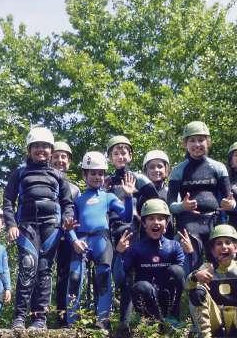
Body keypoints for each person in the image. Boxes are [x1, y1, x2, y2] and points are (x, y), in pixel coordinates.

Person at [3, 127, 75, 329]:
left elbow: (67, 204)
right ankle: (19, 317)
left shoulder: (59, 176)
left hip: (51, 227)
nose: (41, 150)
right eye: (36, 146)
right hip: (26, 225)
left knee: (44, 270)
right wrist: (11, 225)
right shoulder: (20, 173)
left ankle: (39, 318)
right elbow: (8, 201)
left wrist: (67, 220)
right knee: (27, 266)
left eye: (45, 146)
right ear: (29, 149)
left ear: (51, 150)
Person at [66, 151, 136, 327]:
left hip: (102, 241)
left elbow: (127, 217)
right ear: (85, 174)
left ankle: (102, 321)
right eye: (93, 173)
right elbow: (70, 225)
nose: (97, 177)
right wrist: (74, 239)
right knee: (74, 278)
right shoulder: (78, 200)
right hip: (81, 241)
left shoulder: (108, 197)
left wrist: (128, 196)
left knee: (104, 279)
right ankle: (71, 322)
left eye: (100, 173)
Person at [106, 135, 159, 326]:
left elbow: (157, 202)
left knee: (135, 275)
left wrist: (143, 217)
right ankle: (122, 321)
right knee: (118, 276)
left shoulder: (138, 178)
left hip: (133, 230)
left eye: (124, 153)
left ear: (130, 156)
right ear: (110, 157)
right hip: (111, 232)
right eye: (116, 153)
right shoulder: (108, 181)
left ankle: (137, 321)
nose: (120, 156)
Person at [167, 121, 236, 269]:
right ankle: (194, 292)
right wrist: (182, 206)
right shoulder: (178, 171)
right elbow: (170, 206)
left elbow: (230, 200)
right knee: (193, 267)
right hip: (189, 224)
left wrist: (230, 204)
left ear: (208, 142)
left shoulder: (218, 167)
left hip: (214, 222)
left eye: (201, 140)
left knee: (219, 268)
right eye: (192, 140)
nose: (197, 144)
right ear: (185, 144)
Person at [116, 199, 194, 327]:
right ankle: (154, 322)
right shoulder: (136, 248)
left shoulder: (174, 246)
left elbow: (186, 279)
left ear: (167, 223)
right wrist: (119, 253)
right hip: (146, 301)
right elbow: (120, 278)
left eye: (160, 219)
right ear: (144, 223)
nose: (156, 222)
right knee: (142, 286)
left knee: (177, 270)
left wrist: (189, 254)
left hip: (167, 300)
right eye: (151, 218)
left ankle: (172, 317)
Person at [51, 141, 80, 317]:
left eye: (64, 157)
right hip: (45, 233)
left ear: (69, 161)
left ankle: (63, 316)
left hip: (66, 237)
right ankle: (37, 315)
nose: (60, 160)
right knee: (41, 272)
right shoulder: (43, 180)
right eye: (56, 156)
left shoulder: (75, 189)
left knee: (65, 276)